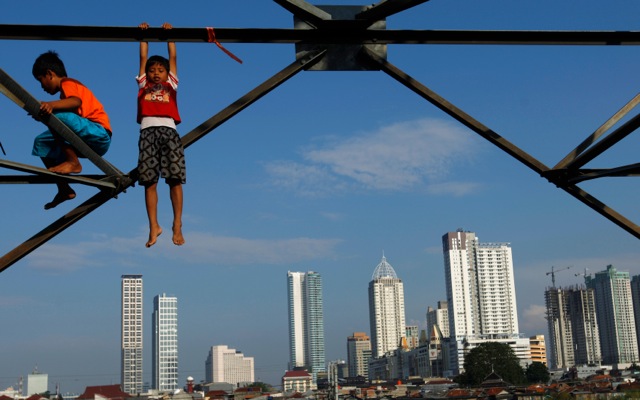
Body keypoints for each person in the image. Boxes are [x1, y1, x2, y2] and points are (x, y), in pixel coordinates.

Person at [31, 51, 112, 209]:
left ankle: (72, 162)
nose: (42, 87)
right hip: (84, 138)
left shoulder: (68, 83)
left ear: (50, 74)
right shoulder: (63, 96)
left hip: (99, 133)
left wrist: (51, 106)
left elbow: (76, 102)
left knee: (57, 118)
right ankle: (64, 188)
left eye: (41, 81)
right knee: (41, 142)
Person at [136, 22, 186, 247]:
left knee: (174, 179)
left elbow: (173, 57)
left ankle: (177, 223)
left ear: (167, 74)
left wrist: (170, 36)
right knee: (149, 181)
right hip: (147, 131)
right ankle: (153, 226)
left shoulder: (171, 84)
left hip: (169, 130)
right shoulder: (144, 83)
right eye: (152, 70)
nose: (156, 74)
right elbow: (142, 57)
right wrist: (143, 35)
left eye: (160, 71)